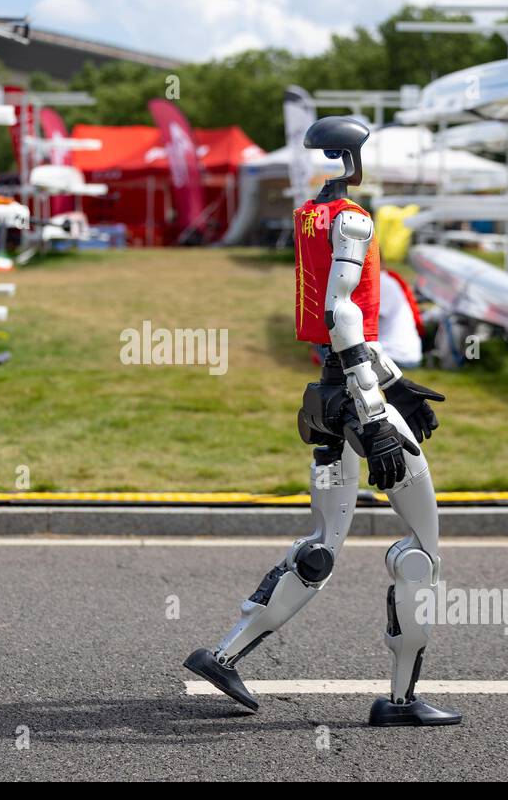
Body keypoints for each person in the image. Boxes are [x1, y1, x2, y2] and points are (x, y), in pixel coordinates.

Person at [184, 116, 460, 726]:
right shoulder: (355, 220)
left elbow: (337, 326)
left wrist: (392, 380)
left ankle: (224, 654)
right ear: (355, 158)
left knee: (322, 545)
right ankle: (401, 700)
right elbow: (342, 311)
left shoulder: (311, 215)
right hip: (356, 403)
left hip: (330, 396)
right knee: (421, 552)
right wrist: (377, 409)